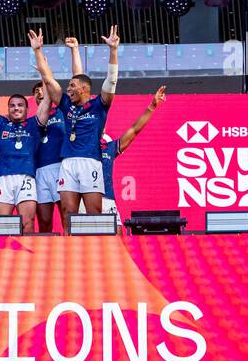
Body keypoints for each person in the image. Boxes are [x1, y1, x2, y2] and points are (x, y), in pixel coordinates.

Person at [0, 49, 53, 233]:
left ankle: (27, 260)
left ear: (27, 108)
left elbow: (47, 100)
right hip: (3, 179)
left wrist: (43, 71)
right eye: (12, 106)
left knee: (27, 224)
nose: (16, 108)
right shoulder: (1, 125)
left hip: (26, 177)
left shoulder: (34, 124)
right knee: (1, 227)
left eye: (20, 105)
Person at [57, 26, 121, 228]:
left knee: (94, 216)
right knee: (69, 215)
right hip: (69, 162)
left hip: (91, 161)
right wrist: (74, 50)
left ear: (86, 90)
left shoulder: (100, 104)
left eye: (74, 87)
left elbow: (111, 81)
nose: (70, 89)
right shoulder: (72, 103)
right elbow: (78, 79)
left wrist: (113, 50)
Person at [98, 86, 167, 216]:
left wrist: (152, 107)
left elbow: (135, 129)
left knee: (118, 236)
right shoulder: (81, 147)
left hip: (107, 200)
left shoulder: (110, 147)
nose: (102, 127)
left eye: (103, 125)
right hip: (86, 202)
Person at [32, 32, 68, 233]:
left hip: (60, 168)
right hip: (39, 172)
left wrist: (44, 72)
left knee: (66, 218)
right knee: (44, 222)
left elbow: (50, 87)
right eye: (36, 91)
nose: (40, 93)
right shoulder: (32, 121)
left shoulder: (62, 111)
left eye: (42, 90)